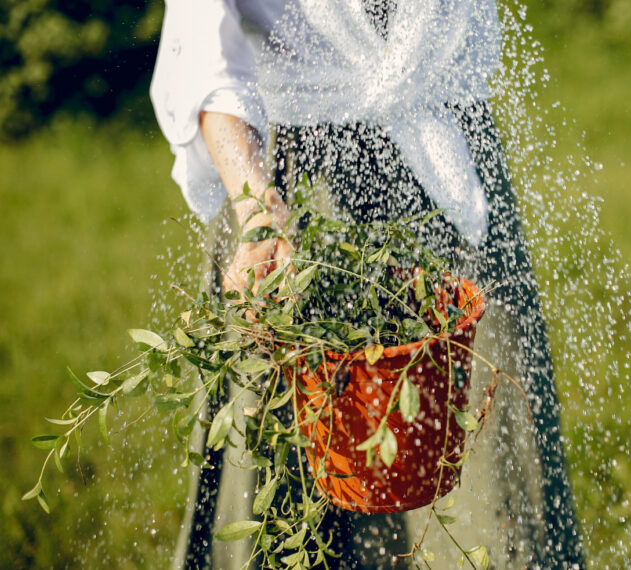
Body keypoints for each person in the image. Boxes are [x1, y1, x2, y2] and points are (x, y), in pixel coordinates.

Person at [151, 1, 583, 568]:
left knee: (488, 457)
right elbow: (205, 50)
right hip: (294, 186)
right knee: (286, 476)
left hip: (444, 153)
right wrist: (260, 211)